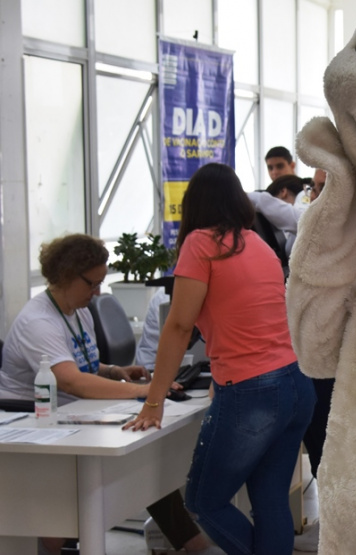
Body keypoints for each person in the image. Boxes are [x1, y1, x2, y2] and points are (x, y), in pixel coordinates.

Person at [124, 163, 316, 555]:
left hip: (253, 391)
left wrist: (154, 400)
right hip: (296, 382)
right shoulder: (256, 244)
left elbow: (179, 326)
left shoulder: (200, 243)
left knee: (202, 501)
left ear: (195, 204)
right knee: (271, 501)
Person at [0, 233, 217, 555]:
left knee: (143, 455)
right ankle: (52, 542)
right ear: (66, 275)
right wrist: (145, 390)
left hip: (75, 413)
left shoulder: (77, 309)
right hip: (36, 424)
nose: (98, 292)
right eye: (92, 283)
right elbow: (71, 380)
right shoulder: (38, 321)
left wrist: (113, 371)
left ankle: (190, 542)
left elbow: (76, 362)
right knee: (130, 457)